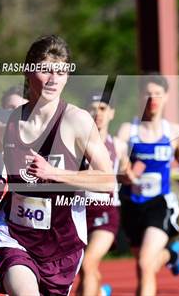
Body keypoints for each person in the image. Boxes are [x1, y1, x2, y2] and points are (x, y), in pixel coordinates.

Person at [0, 35, 115, 296]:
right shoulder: (8, 121)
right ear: (28, 71)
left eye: (61, 71)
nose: (53, 78)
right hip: (15, 235)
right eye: (46, 69)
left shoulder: (77, 121)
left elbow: (108, 181)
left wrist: (54, 173)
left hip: (62, 244)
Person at [117, 74, 179, 296]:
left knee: (145, 263)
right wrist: (126, 172)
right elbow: (117, 156)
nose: (153, 99)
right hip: (132, 204)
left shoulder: (174, 131)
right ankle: (171, 255)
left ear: (166, 97)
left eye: (158, 94)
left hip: (160, 204)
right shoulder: (128, 130)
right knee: (143, 266)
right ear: (141, 97)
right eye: (148, 94)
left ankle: (169, 254)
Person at [77, 91, 127, 296]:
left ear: (112, 113)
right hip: (78, 212)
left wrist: (133, 175)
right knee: (82, 269)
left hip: (106, 213)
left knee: (88, 264)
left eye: (103, 108)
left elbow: (126, 173)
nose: (98, 113)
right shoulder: (76, 143)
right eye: (93, 108)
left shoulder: (120, 146)